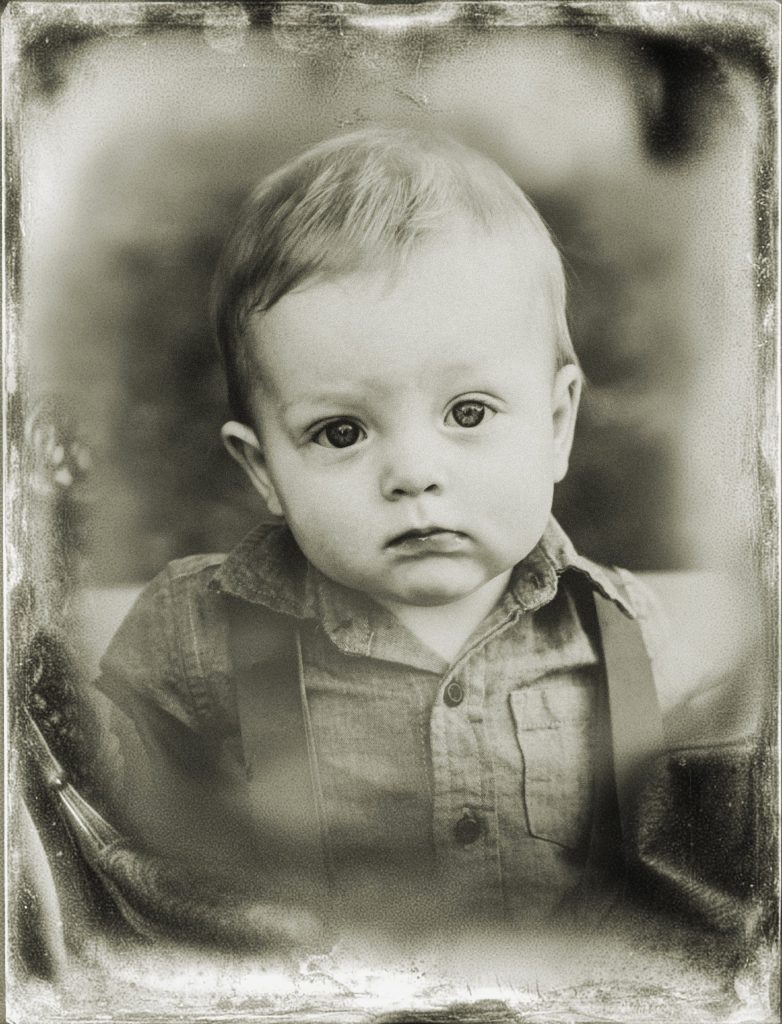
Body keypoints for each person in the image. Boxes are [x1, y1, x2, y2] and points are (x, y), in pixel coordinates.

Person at [89, 127, 742, 943]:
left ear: (557, 423)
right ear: (262, 470)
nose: (413, 472)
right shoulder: (195, 630)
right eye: (340, 432)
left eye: (468, 413)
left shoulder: (626, 635)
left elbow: (686, 878)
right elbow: (103, 832)